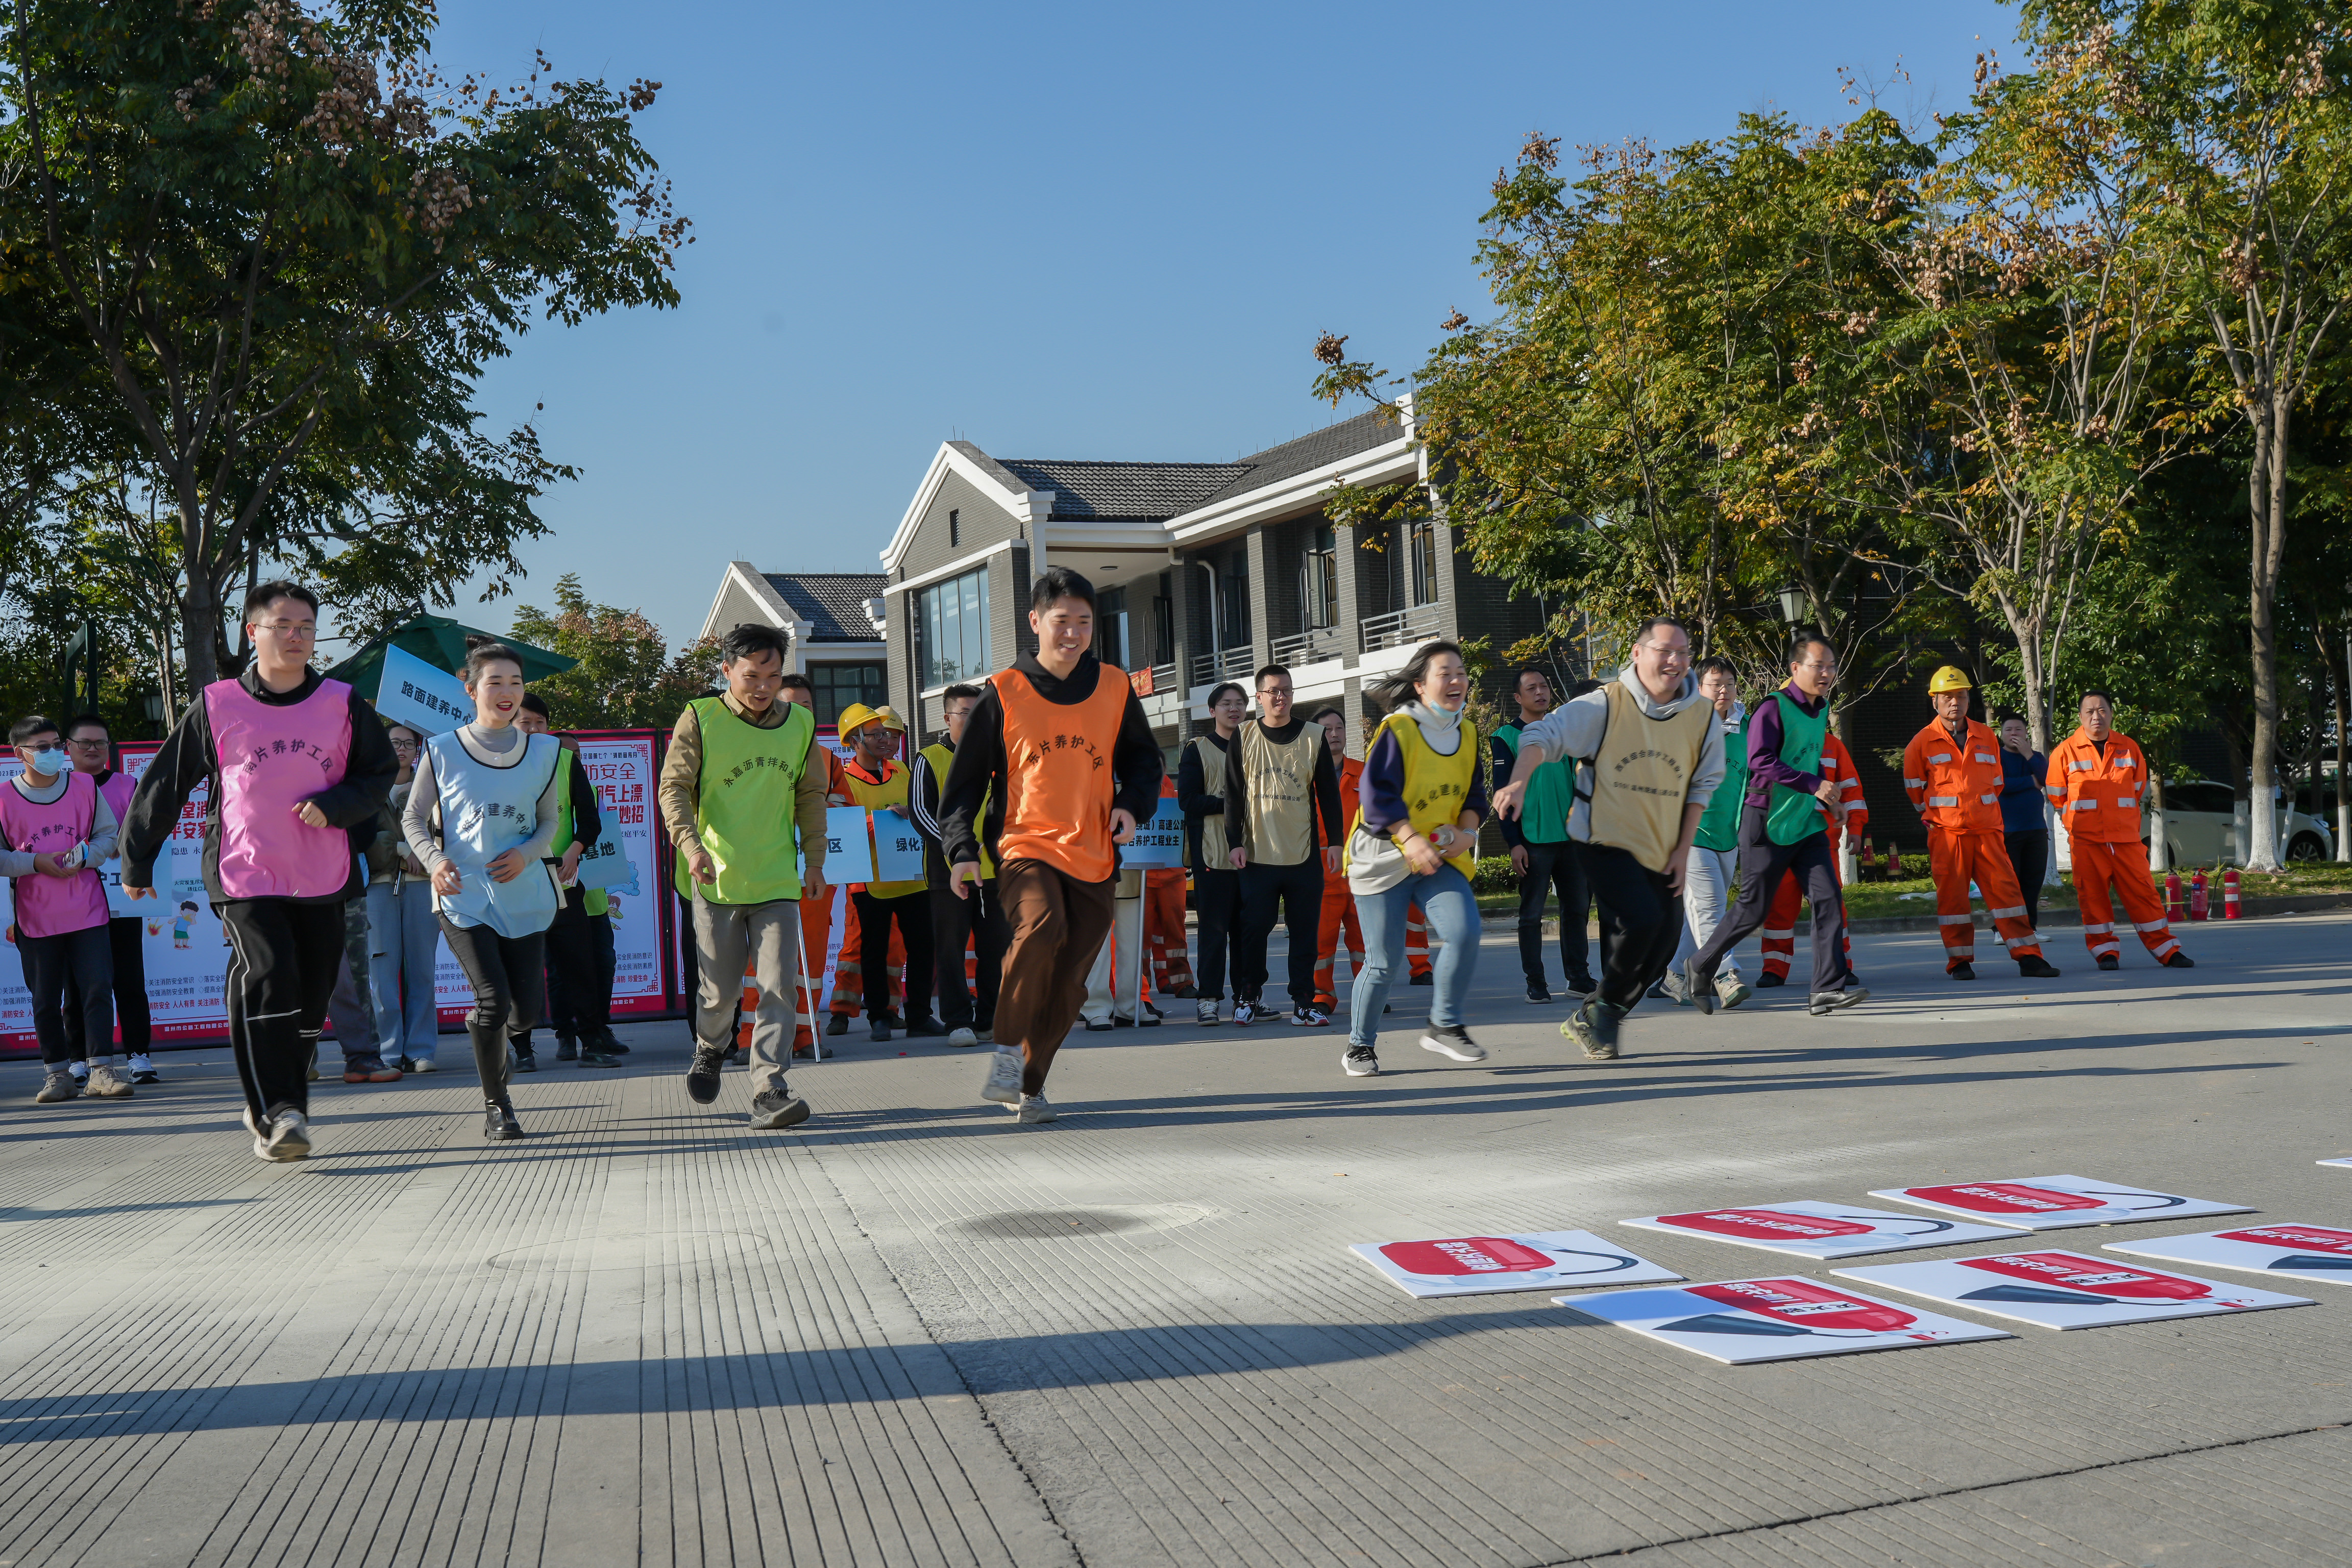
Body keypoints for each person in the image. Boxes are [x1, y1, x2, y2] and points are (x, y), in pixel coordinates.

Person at [120, 581, 399, 1161]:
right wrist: (138, 857)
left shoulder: (344, 703)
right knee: (267, 970)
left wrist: (337, 806)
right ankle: (279, 1112)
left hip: (323, 870)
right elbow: (165, 783)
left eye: (306, 627)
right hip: (244, 870)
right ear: (253, 632)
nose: (296, 637)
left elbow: (379, 773)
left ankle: (277, 1102)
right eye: (283, 626)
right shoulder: (218, 703)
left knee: (314, 992)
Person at [940, 567, 1164, 1123]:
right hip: (1025, 846)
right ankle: (1006, 1050)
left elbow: (1144, 760)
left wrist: (1132, 804)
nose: (1073, 633)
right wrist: (962, 851)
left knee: (1069, 984)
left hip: (1095, 855)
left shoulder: (1114, 686)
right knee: (1041, 926)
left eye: (1084, 622)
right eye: (1062, 621)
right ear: (1036, 621)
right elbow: (964, 784)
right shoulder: (1004, 692)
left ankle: (1030, 1084)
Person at [1498, 617, 1725, 1061]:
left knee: (1664, 941)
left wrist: (1682, 850)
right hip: (1602, 836)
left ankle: (1597, 1012)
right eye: (1664, 651)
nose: (1675, 661)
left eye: (1683, 653)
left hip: (1661, 842)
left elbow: (1701, 787)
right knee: (1642, 919)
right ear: (1638, 653)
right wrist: (1520, 780)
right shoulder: (1606, 704)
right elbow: (1543, 735)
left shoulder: (1701, 716)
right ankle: (1603, 1014)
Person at [659, 623, 830, 1127]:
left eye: (772, 676)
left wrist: (814, 860)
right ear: (727, 671)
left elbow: (811, 795)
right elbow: (674, 788)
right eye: (751, 676)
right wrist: (691, 847)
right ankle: (711, 1047)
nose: (763, 687)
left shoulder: (800, 724)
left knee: (778, 985)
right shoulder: (701, 717)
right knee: (721, 993)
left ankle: (769, 1088)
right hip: (716, 878)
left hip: (776, 878)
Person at [401, 639, 566, 1138]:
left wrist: (526, 854)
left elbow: (549, 821)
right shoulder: (442, 750)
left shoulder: (544, 751)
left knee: (526, 1012)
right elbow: (412, 818)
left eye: (516, 682)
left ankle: (492, 1043)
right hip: (463, 895)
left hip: (523, 893)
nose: (507, 691)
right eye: (495, 682)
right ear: (471, 690)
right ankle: (498, 1107)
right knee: (492, 998)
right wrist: (435, 861)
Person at [1683, 633, 1866, 1020]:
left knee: (1829, 899)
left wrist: (1829, 799)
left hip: (1805, 822)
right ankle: (1700, 964)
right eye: (1819, 666)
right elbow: (1760, 760)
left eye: (1831, 666)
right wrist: (1814, 784)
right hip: (1766, 821)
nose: (1827, 673)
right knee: (1753, 909)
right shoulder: (1773, 707)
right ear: (1795, 668)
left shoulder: (1821, 707)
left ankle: (1826, 989)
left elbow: (1808, 759)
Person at [1339, 642, 1487, 1075]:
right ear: (1420, 686)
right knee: (1383, 962)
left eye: (1461, 672)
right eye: (1445, 673)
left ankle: (1444, 1024)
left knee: (1465, 931)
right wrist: (1409, 838)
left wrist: (1467, 834)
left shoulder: (1468, 732)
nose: (1457, 680)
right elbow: (1376, 798)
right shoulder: (1398, 729)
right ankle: (1359, 1046)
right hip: (1383, 856)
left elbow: (1474, 797)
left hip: (1435, 857)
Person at [1900, 666, 2061, 982]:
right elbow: (1915, 791)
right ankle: (1960, 962)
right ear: (1934, 701)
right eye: (1948, 697)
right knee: (1954, 901)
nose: (1955, 702)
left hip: (1988, 832)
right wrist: (1940, 818)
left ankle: (2029, 958)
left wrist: (1978, 810)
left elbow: (1997, 783)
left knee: (2009, 896)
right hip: (1948, 835)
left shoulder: (1986, 735)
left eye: (1961, 696)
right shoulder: (1921, 743)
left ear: (1968, 699)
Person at [8, 716, 127, 1104]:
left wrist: (87, 857)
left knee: (97, 989)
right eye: (42, 748)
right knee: (45, 998)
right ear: (20, 754)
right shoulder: (4, 798)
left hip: (87, 908)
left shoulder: (85, 786)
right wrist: (35, 862)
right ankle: (58, 1075)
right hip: (35, 915)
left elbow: (108, 836)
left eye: (57, 745)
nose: (53, 753)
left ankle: (102, 1072)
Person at [1223, 664, 1346, 1026]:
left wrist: (1336, 843)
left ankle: (1304, 1002)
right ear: (1259, 697)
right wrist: (1234, 842)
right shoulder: (1244, 735)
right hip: (1257, 854)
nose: (1281, 697)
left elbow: (1328, 794)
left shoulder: (1313, 735)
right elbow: (1233, 795)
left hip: (1302, 855)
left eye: (1287, 690)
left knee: (1305, 932)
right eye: (1274, 691)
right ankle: (1248, 996)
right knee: (1254, 930)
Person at [2047, 691, 2192, 970]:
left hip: (2125, 839)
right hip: (2087, 841)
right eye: (2090, 712)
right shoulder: (2064, 751)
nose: (2096, 717)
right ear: (2080, 716)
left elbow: (2137, 788)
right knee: (2093, 899)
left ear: (2111, 714)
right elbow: (2057, 796)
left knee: (2145, 894)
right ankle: (2106, 953)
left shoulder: (2128, 747)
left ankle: (2167, 950)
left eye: (2102, 710)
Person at [518, 693, 624, 1066]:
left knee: (579, 966)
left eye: (540, 723)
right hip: (516, 883)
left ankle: (592, 1041)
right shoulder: (495, 764)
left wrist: (575, 851)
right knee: (521, 969)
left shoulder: (565, 760)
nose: (534, 730)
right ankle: (521, 1050)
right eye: (525, 722)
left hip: (562, 880)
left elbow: (590, 821)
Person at [57, 714, 158, 1085]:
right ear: (68, 748)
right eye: (85, 743)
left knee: (129, 978)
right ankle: (78, 1060)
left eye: (100, 742)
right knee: (76, 984)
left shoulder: (128, 785)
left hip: (121, 897)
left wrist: (124, 849)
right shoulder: (57, 787)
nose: (93, 749)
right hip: (73, 899)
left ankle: (138, 1057)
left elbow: (143, 830)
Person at [910, 682, 1007, 1046]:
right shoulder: (929, 758)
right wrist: (958, 849)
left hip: (996, 870)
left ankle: (991, 1018)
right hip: (948, 873)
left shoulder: (999, 758)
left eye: (980, 713)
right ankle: (957, 1021)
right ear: (947, 717)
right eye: (965, 713)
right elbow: (921, 813)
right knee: (950, 949)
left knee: (996, 948)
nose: (973, 720)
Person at [838, 702, 940, 1041]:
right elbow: (841, 828)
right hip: (871, 881)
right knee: (874, 950)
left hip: (912, 876)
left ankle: (920, 1016)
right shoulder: (845, 780)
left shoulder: (902, 771)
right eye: (876, 735)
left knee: (923, 947)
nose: (885, 740)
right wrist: (880, 820)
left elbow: (921, 810)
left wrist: (911, 811)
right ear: (855, 740)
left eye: (888, 734)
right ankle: (879, 1017)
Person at [1492, 668, 1594, 1006]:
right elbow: (1503, 794)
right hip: (1532, 840)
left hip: (1572, 839)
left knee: (1577, 911)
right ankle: (1536, 983)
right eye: (1531, 688)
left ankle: (1579, 979)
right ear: (1518, 698)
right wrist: (1514, 843)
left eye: (1544, 686)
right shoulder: (1506, 737)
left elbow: (1581, 782)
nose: (1540, 692)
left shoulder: (1564, 732)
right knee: (1531, 916)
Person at [1662, 659, 1750, 1009]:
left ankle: (1675, 976)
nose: (1723, 690)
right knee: (1712, 909)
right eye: (1716, 684)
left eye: (1729, 683)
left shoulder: (1747, 727)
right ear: (1699, 689)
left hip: (1728, 835)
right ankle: (1725, 975)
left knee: (1700, 910)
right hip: (1691, 835)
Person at [1755, 728, 1867, 989]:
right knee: (1779, 906)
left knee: (1831, 907)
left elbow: (1851, 790)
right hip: (1781, 840)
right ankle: (1774, 968)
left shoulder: (1833, 745)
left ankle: (1839, 966)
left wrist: (1857, 827)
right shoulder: (1773, 742)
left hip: (1821, 843)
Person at [1178, 681, 1246, 1024]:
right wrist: (1231, 804)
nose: (1234, 709)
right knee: (1214, 932)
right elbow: (1188, 801)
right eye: (1226, 704)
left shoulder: (1257, 747)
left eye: (1240, 703)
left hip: (1254, 855)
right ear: (1212, 710)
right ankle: (1208, 999)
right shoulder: (1198, 749)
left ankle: (1248, 997)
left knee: (1249, 933)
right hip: (1213, 854)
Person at [1310, 707, 1366, 1011]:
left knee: (1364, 940)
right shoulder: (1304, 776)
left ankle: (1368, 994)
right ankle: (1322, 995)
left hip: (1363, 872)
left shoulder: (1364, 773)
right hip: (1322, 874)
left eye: (1339, 728)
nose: (1334, 734)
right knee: (1322, 942)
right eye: (1327, 730)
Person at [1996, 710, 2051, 929]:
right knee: (2010, 883)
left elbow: (2047, 779)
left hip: (2036, 829)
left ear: (2026, 733)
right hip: (2008, 830)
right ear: (2002, 734)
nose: (2014, 734)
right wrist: (2030, 781)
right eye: (2009, 730)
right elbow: (2000, 785)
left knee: (2033, 882)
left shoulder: (2035, 757)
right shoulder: (1995, 758)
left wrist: (2028, 755)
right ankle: (2004, 929)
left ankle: (2030, 928)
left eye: (2018, 729)